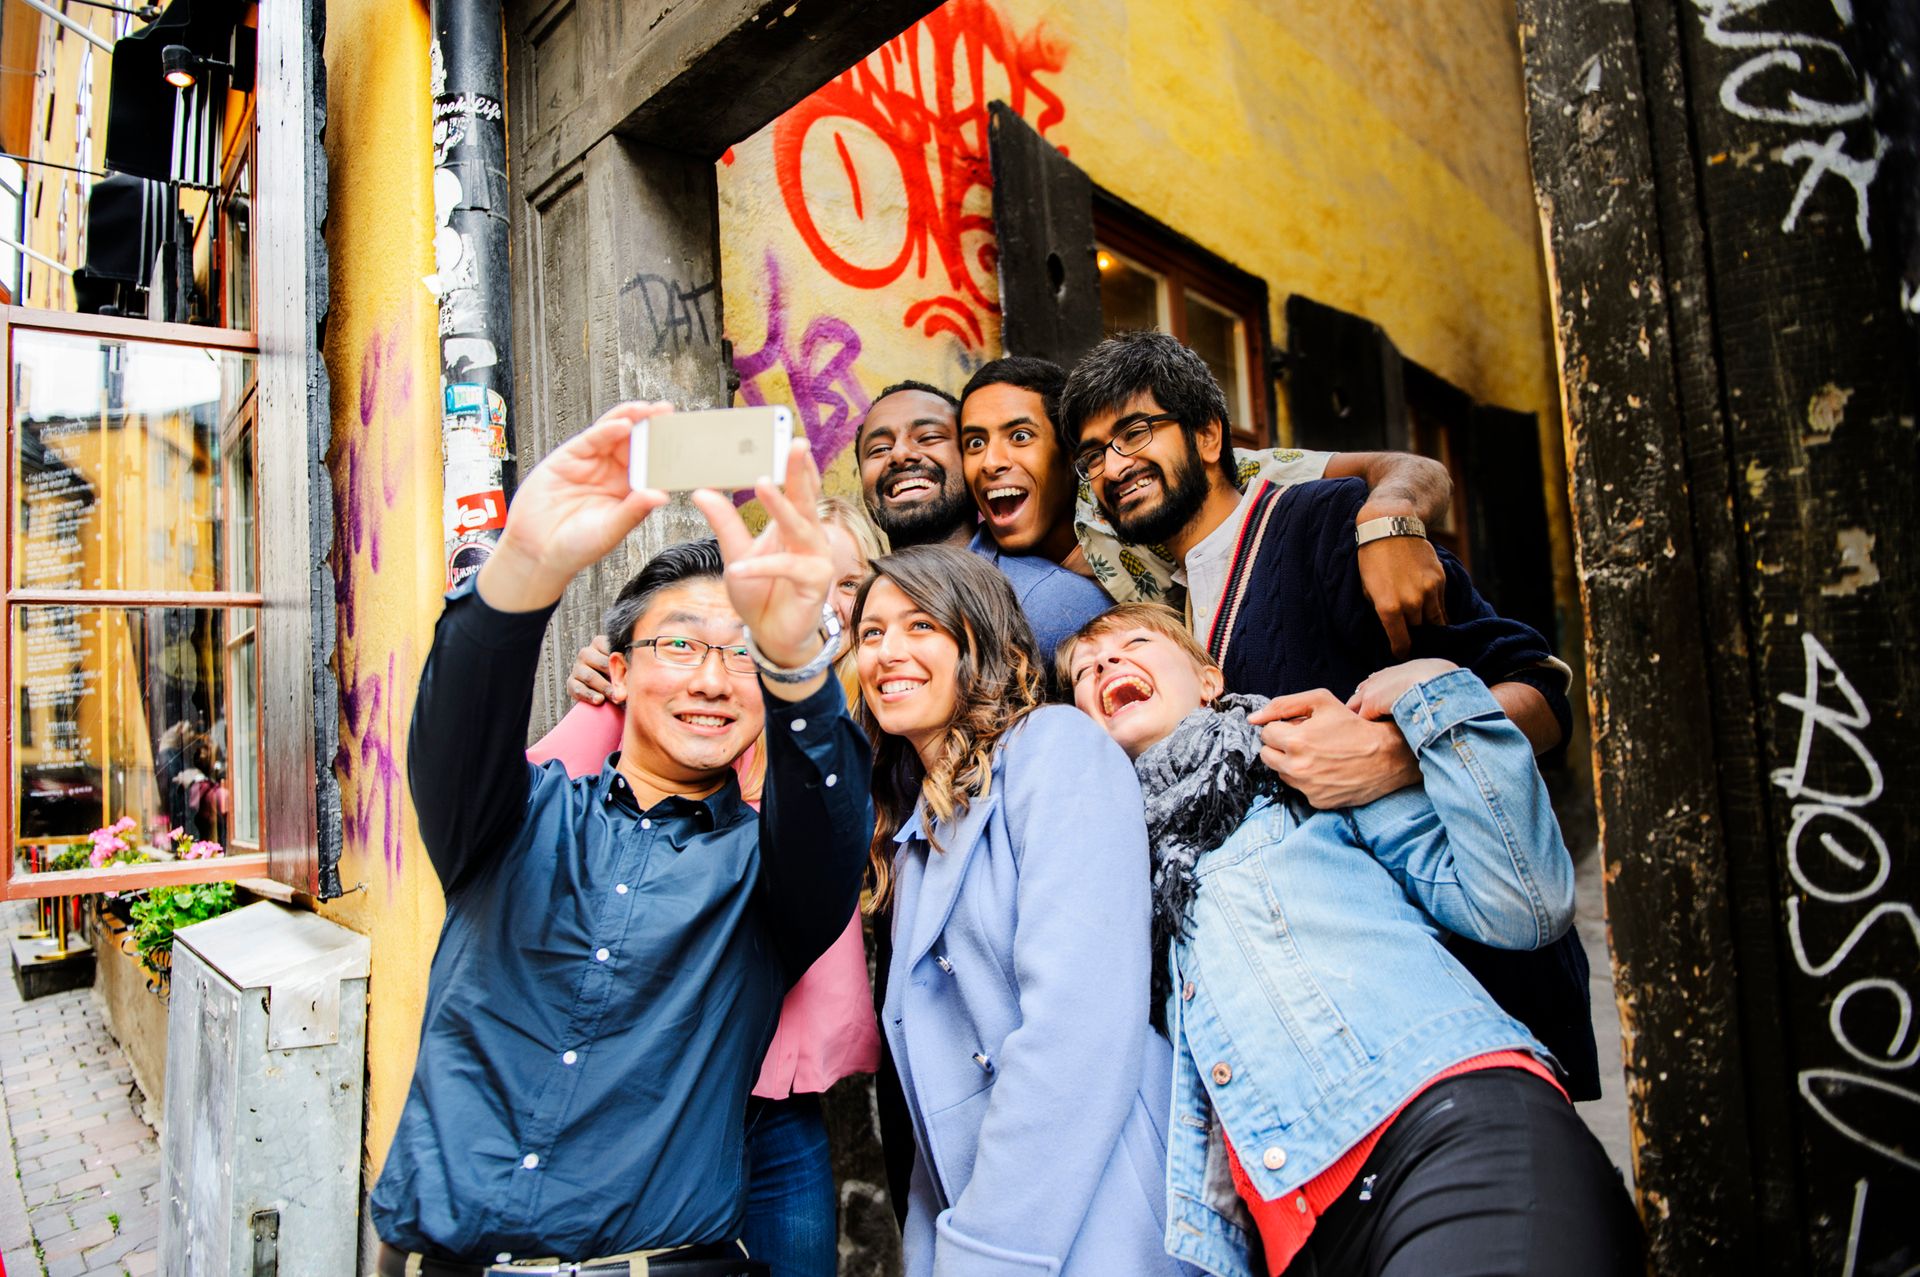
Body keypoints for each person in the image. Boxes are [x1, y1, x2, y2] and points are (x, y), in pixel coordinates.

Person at [372, 404, 872, 1275]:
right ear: (621, 665)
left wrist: (797, 658)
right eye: (680, 644)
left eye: (744, 654)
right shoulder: (511, 820)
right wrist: (523, 565)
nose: (714, 679)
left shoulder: (764, 872)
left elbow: (831, 823)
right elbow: (455, 727)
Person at [1059, 331, 1601, 1098]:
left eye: (1135, 432)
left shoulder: (1323, 523)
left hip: (1473, 982)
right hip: (1337, 1037)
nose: (1113, 466)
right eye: (1092, 456)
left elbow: (1540, 688)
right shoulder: (1169, 613)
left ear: (1210, 435)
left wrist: (1398, 752)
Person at [1061, 605, 1643, 1276]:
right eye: (1084, 669)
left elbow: (1522, 904)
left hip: (1440, 1128)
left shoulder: (1303, 765)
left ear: (1208, 680)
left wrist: (1438, 697)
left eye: (1134, 642)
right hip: (1292, 1239)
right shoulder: (1107, 869)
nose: (1105, 664)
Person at [530, 495, 887, 1277]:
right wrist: (612, 683)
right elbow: (531, 796)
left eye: (844, 584)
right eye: (796, 577)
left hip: (781, 1084)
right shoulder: (703, 691)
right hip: (664, 1077)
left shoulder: (875, 699)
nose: (820, 602)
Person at [851, 544, 1186, 1277]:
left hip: (1098, 1218)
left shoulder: (1054, 748)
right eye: (870, 633)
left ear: (987, 641)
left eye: (919, 625)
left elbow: (1078, 1026)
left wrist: (986, 1256)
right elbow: (934, 1119)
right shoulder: (910, 840)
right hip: (983, 1230)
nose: (887, 652)